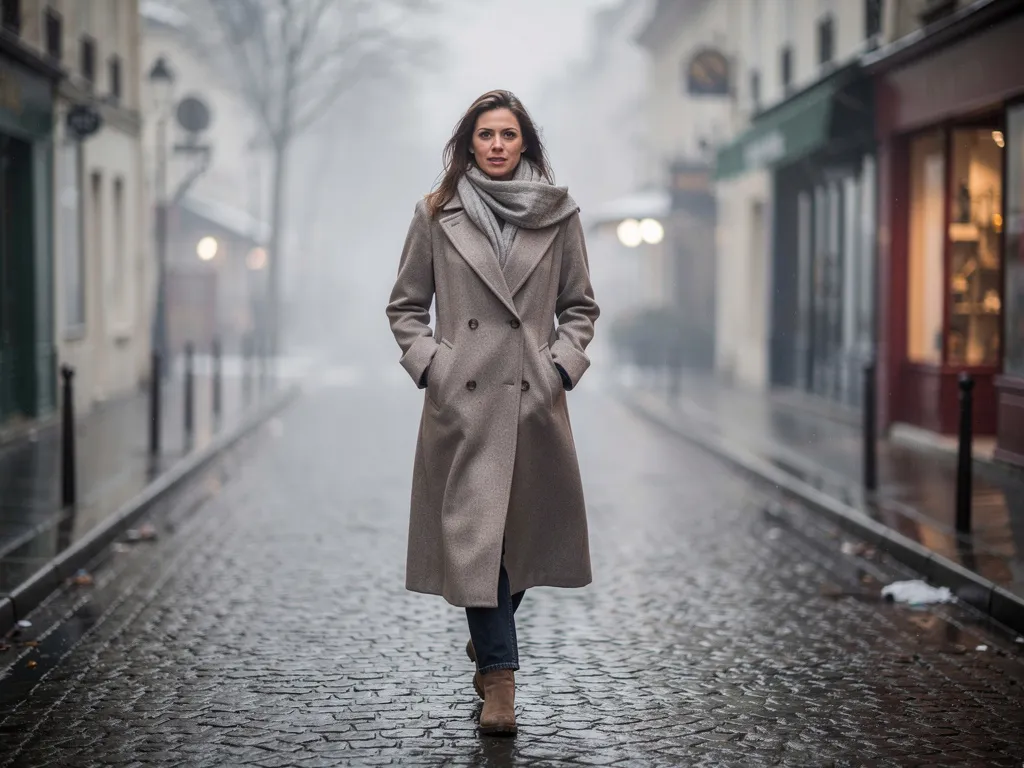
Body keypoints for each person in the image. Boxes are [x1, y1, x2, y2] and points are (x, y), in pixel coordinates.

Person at [386, 90, 600, 737]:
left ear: (525, 143)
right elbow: (405, 307)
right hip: (466, 407)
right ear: (469, 144)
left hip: (533, 406)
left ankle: (491, 638)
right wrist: (435, 366)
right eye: (487, 135)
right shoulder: (436, 213)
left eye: (509, 134)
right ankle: (501, 684)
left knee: (520, 542)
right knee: (479, 542)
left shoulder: (559, 216)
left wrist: (560, 366)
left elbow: (580, 307)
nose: (499, 145)